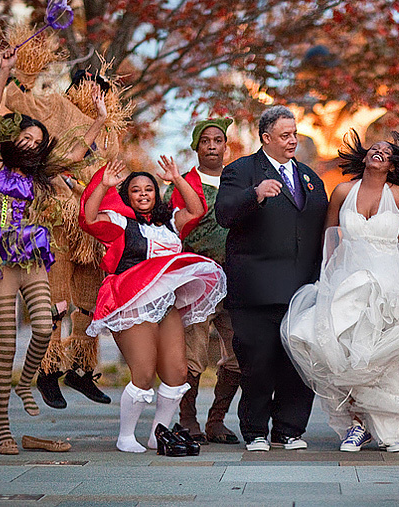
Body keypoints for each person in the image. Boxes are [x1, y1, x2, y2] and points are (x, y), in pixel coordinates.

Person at [0, 47, 101, 455]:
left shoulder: (39, 172)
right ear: (14, 136)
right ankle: (3, 426)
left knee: (43, 327)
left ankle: (27, 382)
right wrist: (5, 71)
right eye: (27, 135)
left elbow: (76, 154)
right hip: (0, 257)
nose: (32, 142)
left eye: (38, 141)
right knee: (6, 341)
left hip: (31, 253)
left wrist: (98, 118)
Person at [282, 130, 399, 453]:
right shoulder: (343, 191)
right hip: (348, 278)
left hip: (391, 280)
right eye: (375, 148)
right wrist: (327, 275)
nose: (380, 153)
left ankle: (390, 427)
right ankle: (356, 425)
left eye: (387, 153)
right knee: (344, 350)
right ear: (365, 156)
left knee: (386, 355)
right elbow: (330, 234)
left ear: (392, 165)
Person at [80, 159, 227, 454]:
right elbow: (89, 219)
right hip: (133, 301)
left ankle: (157, 434)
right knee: (143, 372)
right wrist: (104, 186)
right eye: (136, 190)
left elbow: (197, 210)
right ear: (128, 196)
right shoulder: (121, 222)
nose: (144, 194)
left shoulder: (169, 223)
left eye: (149, 189)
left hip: (166, 302)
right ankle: (125, 436)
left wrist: (177, 178)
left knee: (177, 372)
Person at [6, 62, 125, 409]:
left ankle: (82, 369)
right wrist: (18, 72)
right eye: (89, 87)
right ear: (75, 88)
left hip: (92, 223)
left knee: (89, 302)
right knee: (57, 301)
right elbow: (19, 100)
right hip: (57, 219)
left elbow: (109, 169)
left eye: (101, 90)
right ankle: (48, 370)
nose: (95, 94)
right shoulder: (56, 106)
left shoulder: (109, 129)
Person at [215, 105, 329, 452]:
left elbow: (321, 227)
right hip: (256, 289)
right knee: (258, 361)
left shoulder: (310, 176)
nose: (293, 140)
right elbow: (224, 213)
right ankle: (256, 431)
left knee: (298, 361)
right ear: (266, 138)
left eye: (294, 134)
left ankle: (289, 429)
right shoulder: (241, 171)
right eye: (285, 135)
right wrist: (255, 194)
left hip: (302, 288)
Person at [164, 118, 242, 445]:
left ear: (226, 146)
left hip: (236, 278)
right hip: (195, 278)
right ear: (196, 147)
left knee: (240, 350)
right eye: (205, 140)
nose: (212, 146)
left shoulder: (239, 181)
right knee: (193, 353)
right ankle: (187, 418)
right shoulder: (180, 186)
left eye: (218, 140)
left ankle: (217, 420)